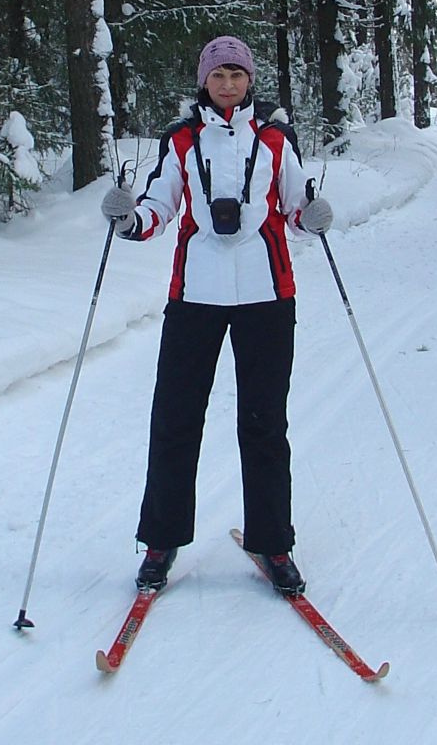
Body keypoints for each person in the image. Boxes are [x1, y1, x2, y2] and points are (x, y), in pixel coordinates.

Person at [101, 35, 333, 595]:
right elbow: (159, 207)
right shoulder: (182, 140)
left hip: (266, 295)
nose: (227, 84)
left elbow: (296, 206)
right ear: (203, 81)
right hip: (196, 296)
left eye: (236, 74)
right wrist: (129, 221)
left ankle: (273, 543)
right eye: (218, 75)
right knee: (175, 418)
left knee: (264, 422)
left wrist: (312, 217)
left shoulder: (275, 139)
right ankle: (161, 542)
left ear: (250, 80)